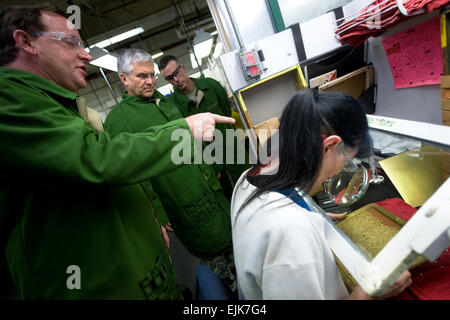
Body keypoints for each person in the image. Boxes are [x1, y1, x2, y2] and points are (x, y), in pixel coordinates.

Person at [0, 5, 234, 299]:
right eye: (71, 41)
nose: (85, 54)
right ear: (26, 41)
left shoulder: (59, 107)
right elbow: (95, 158)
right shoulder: (8, 100)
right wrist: (183, 132)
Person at [230, 89, 412, 300]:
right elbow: (286, 235)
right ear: (330, 146)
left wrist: (314, 214)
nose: (344, 166)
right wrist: (368, 293)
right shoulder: (289, 232)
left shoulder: (250, 176)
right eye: (347, 159)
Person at [104, 49, 237, 293]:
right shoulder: (118, 120)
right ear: (124, 79)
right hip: (184, 200)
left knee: (235, 244)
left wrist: (211, 167)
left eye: (152, 75)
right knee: (216, 259)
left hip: (209, 189)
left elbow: (190, 139)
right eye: (142, 76)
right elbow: (132, 174)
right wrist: (157, 213)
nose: (150, 81)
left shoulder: (160, 99)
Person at [158, 55, 248, 199]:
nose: (176, 80)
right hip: (209, 160)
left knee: (250, 185)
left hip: (233, 149)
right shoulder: (174, 106)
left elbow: (226, 110)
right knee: (226, 196)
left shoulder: (211, 86)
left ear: (183, 68)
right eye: (169, 78)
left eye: (176, 73)